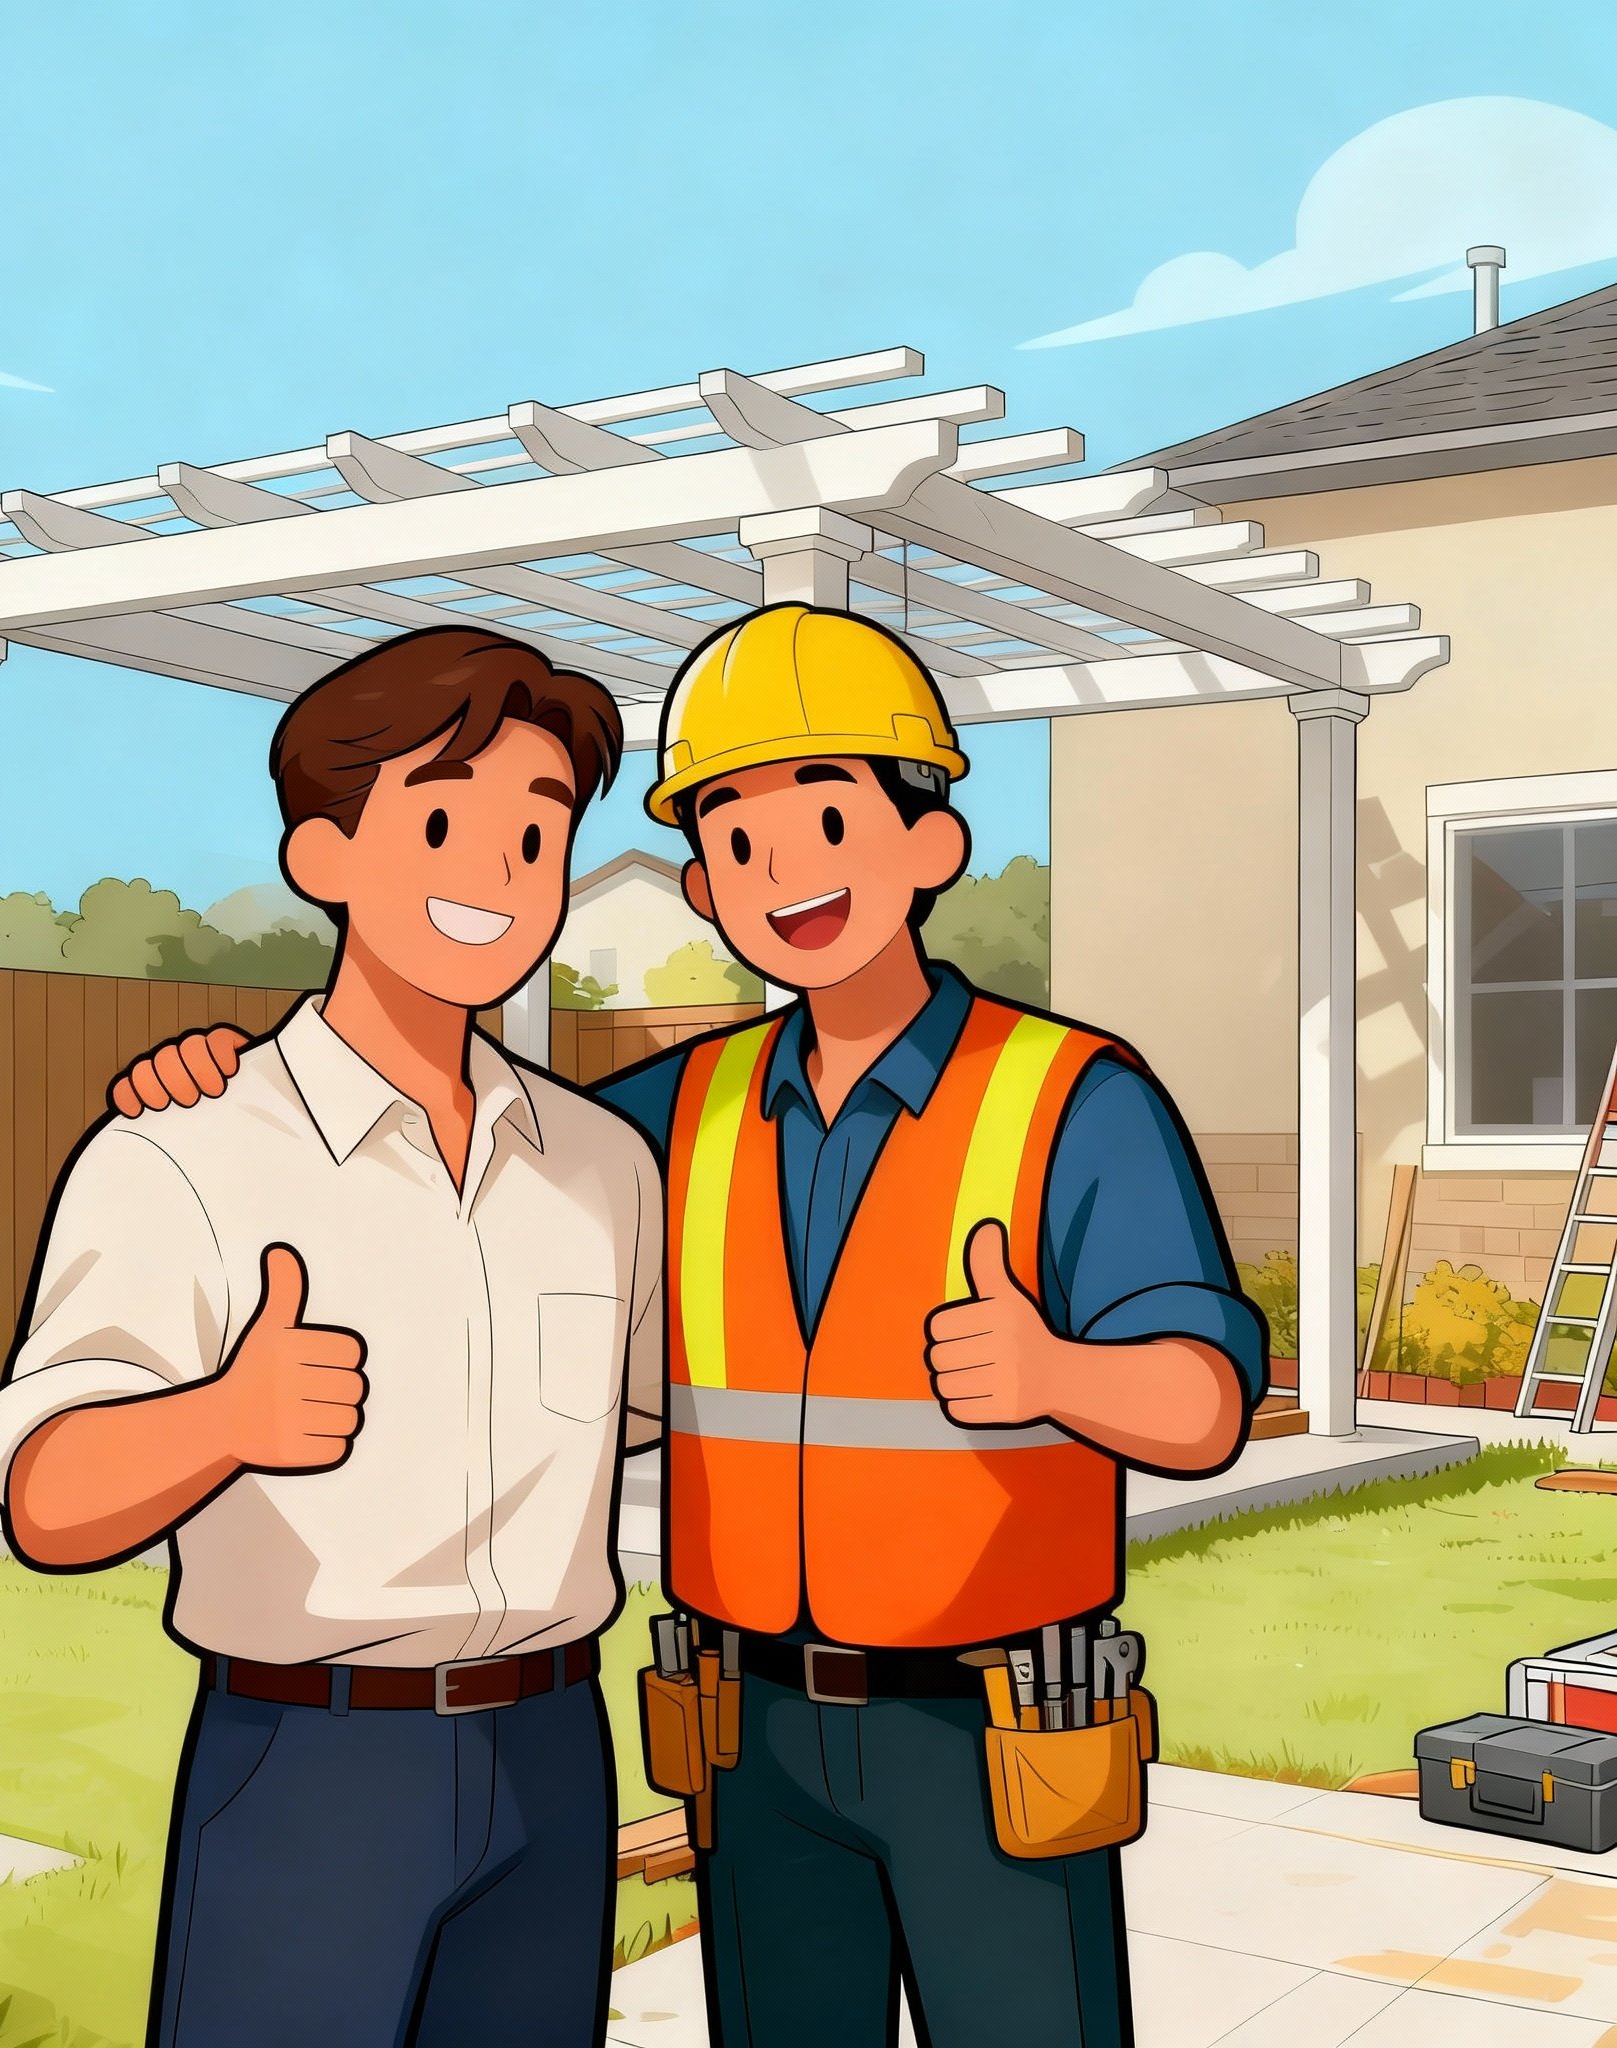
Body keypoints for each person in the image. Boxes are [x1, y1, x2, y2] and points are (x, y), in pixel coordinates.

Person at [113, 603, 1267, 2046]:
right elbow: (463, 1152)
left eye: (827, 821)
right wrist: (227, 1079)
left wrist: (1057, 1372)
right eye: (735, 840)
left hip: (992, 1731)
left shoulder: (1075, 1101)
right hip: (749, 1733)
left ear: (931, 845)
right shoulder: (659, 1123)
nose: (785, 872)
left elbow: (1205, 1410)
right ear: (706, 886)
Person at [0, 625, 663, 2048]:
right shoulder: (183, 1151)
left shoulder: (605, 1167)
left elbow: (647, 1415)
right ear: (324, 857)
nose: (496, 876)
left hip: (554, 1748)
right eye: (442, 825)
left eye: (537, 839)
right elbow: (46, 1499)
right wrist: (224, 1420)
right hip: (312, 1759)